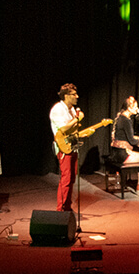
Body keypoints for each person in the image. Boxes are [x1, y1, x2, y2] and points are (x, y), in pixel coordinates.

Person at [50, 83, 83, 212]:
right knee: (66, 178)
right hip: (63, 148)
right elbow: (63, 128)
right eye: (74, 94)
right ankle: (61, 210)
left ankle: (67, 207)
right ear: (66, 96)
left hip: (72, 146)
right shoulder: (58, 109)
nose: (77, 96)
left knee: (72, 178)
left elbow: (73, 129)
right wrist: (77, 119)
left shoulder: (72, 110)